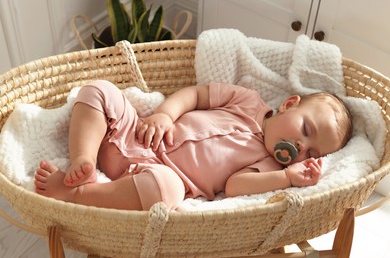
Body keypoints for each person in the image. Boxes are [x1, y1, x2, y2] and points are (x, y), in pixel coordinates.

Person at [34, 80, 352, 211]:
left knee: (167, 190)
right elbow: (196, 95)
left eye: (312, 152)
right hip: (135, 134)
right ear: (289, 104)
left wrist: (288, 178)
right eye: (306, 130)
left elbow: (236, 185)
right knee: (99, 90)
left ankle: (79, 193)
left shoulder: (271, 165)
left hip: (153, 174)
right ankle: (83, 160)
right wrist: (163, 115)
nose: (300, 146)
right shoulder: (246, 99)